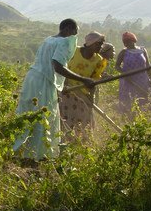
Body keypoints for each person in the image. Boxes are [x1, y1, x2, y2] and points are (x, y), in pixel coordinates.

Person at [13, 19, 95, 161]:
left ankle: (22, 152)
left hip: (32, 79)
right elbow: (58, 66)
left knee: (28, 115)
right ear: (68, 29)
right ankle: (38, 155)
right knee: (44, 118)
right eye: (75, 32)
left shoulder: (49, 40)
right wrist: (83, 79)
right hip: (43, 83)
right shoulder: (63, 42)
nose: (75, 36)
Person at [58, 32, 106, 138]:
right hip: (66, 92)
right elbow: (61, 67)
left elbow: (94, 80)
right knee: (67, 120)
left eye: (102, 44)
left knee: (85, 122)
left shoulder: (99, 60)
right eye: (99, 44)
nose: (101, 47)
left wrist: (91, 96)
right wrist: (64, 85)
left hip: (83, 94)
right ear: (91, 43)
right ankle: (67, 142)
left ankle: (83, 143)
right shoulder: (74, 51)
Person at [116, 31, 151, 115]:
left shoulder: (142, 50)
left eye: (129, 41)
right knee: (130, 101)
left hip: (143, 79)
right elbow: (117, 66)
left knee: (149, 97)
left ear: (133, 40)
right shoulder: (124, 52)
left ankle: (146, 115)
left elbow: (148, 65)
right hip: (129, 81)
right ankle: (129, 117)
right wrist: (125, 74)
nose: (127, 44)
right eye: (125, 42)